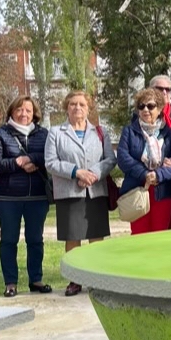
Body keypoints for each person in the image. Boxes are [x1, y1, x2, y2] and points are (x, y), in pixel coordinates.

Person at [45, 91, 117, 297]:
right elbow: (50, 162)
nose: (78, 108)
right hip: (70, 192)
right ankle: (75, 280)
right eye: (73, 104)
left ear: (88, 109)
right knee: (73, 237)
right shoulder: (56, 132)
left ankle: (97, 278)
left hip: (95, 191)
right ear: (66, 108)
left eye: (82, 105)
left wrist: (94, 173)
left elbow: (110, 159)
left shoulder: (100, 132)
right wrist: (76, 172)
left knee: (96, 236)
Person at [0, 96, 52, 298]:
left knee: (35, 240)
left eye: (28, 111)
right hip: (8, 198)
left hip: (37, 197)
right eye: (19, 110)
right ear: (12, 111)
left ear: (34, 114)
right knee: (8, 240)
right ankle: (11, 283)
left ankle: (36, 279)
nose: (24, 114)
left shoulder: (43, 134)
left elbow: (49, 156)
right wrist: (18, 162)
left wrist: (32, 159)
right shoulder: (0, 133)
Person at [117, 88, 171, 235]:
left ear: (159, 109)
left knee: (159, 235)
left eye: (150, 106)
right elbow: (122, 158)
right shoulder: (129, 131)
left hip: (163, 190)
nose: (145, 109)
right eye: (141, 106)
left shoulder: (170, 134)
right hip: (137, 189)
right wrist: (145, 174)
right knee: (139, 234)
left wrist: (158, 175)